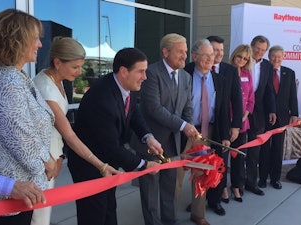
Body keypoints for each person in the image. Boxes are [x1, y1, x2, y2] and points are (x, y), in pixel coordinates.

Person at [67, 47, 162, 225]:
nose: (145, 77)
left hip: (108, 163)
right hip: (90, 168)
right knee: (94, 215)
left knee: (109, 209)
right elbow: (110, 147)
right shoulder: (102, 99)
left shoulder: (126, 87)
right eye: (140, 71)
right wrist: (144, 165)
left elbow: (134, 114)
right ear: (124, 71)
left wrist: (148, 137)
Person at [31, 37, 120, 225]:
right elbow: (69, 135)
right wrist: (101, 165)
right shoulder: (45, 87)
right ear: (57, 62)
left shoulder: (58, 79)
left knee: (43, 214)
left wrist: (61, 155)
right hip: (43, 159)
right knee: (39, 218)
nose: (80, 72)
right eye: (75, 67)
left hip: (54, 155)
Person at [0, 9, 54, 225]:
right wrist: (47, 162)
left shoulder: (14, 75)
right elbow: (21, 137)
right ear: (16, 41)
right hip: (13, 191)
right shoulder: (5, 81)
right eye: (35, 39)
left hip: (23, 188)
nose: (40, 44)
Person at [130, 33, 199, 225]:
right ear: (166, 52)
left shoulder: (186, 77)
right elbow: (154, 108)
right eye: (180, 52)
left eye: (185, 52)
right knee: (150, 190)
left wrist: (188, 126)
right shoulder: (150, 73)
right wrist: (184, 126)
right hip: (151, 143)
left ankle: (170, 221)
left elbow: (188, 107)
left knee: (170, 188)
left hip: (174, 143)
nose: (184, 56)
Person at [183, 39, 230, 225]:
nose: (211, 58)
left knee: (203, 174)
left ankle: (198, 214)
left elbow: (224, 110)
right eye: (206, 55)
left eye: (212, 55)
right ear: (194, 56)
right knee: (178, 175)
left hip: (209, 132)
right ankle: (168, 216)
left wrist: (225, 136)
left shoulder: (220, 79)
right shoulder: (184, 74)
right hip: (185, 131)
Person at [204, 35, 242, 211]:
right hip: (198, 127)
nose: (218, 54)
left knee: (219, 163)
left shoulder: (230, 71)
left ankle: (215, 200)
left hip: (222, 126)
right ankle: (198, 199)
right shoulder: (192, 69)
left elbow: (237, 100)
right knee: (199, 163)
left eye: (221, 51)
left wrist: (235, 126)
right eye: (214, 50)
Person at [258, 45, 298, 189]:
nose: (276, 59)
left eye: (279, 56)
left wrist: (294, 114)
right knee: (264, 148)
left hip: (282, 117)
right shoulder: (263, 71)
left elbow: (293, 95)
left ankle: (275, 178)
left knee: (277, 148)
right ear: (269, 57)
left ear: (283, 57)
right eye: (273, 56)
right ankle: (262, 178)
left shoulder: (289, 73)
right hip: (265, 116)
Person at [246, 35, 276, 196]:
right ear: (251, 46)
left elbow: (269, 91)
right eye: (257, 48)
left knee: (254, 151)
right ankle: (232, 185)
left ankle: (251, 182)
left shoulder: (267, 66)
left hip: (258, 114)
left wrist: (272, 110)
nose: (260, 52)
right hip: (240, 112)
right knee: (236, 149)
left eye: (263, 50)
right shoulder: (242, 60)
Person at [226, 44, 255, 202]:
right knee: (223, 158)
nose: (241, 60)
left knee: (238, 158)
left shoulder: (247, 74)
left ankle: (236, 186)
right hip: (226, 121)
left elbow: (251, 98)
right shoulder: (226, 71)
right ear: (234, 55)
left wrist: (244, 115)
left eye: (245, 58)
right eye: (239, 57)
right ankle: (222, 187)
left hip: (242, 123)